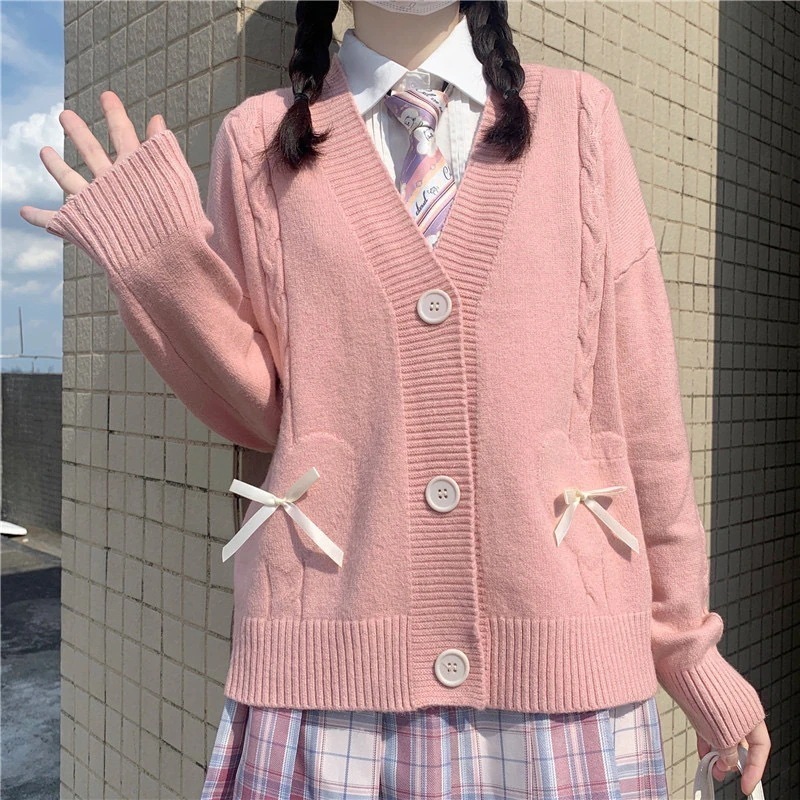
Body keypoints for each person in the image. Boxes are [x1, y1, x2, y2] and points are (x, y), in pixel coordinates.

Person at [20, 1, 771, 798]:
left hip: (562, 678)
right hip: (332, 686)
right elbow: (264, 414)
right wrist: (163, 268)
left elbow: (645, 410)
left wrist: (688, 651)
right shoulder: (259, 139)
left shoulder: (580, 120)